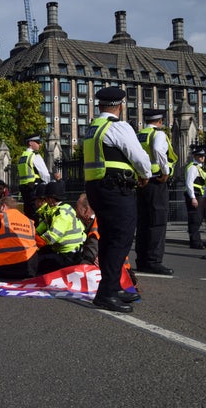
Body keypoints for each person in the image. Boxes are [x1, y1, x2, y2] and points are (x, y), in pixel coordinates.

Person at [84, 87, 151, 313]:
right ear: (120, 106)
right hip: (116, 189)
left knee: (109, 239)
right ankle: (107, 293)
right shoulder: (118, 127)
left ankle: (112, 286)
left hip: (96, 188)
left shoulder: (93, 128)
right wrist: (145, 175)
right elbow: (139, 156)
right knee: (120, 238)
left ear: (100, 106)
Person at [134, 109, 176, 275]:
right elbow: (159, 150)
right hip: (157, 181)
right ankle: (153, 261)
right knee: (157, 222)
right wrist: (165, 170)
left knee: (143, 222)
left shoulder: (140, 134)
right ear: (161, 121)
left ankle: (142, 259)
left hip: (142, 181)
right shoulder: (158, 134)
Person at [35, 182, 85, 274]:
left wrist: (33, 243)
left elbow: (51, 237)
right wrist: (34, 233)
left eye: (46, 198)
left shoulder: (62, 213)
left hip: (69, 256)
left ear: (51, 199)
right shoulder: (56, 210)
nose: (45, 201)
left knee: (38, 263)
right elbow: (45, 224)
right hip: (64, 252)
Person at [17, 133, 51, 223]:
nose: (40, 144)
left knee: (28, 215)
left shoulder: (23, 156)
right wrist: (48, 187)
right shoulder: (35, 156)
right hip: (36, 190)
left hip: (25, 190)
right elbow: (45, 174)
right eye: (38, 142)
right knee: (38, 217)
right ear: (30, 143)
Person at [184, 147, 206, 250]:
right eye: (200, 156)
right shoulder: (193, 167)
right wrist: (193, 197)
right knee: (194, 219)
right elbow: (189, 183)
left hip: (199, 195)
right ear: (195, 156)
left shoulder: (199, 167)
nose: (202, 158)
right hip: (195, 196)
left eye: (203, 156)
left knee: (198, 219)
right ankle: (195, 242)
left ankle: (196, 241)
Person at [75, 193, 99, 265]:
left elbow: (89, 258)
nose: (75, 211)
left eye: (77, 207)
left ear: (86, 210)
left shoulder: (95, 227)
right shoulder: (91, 223)